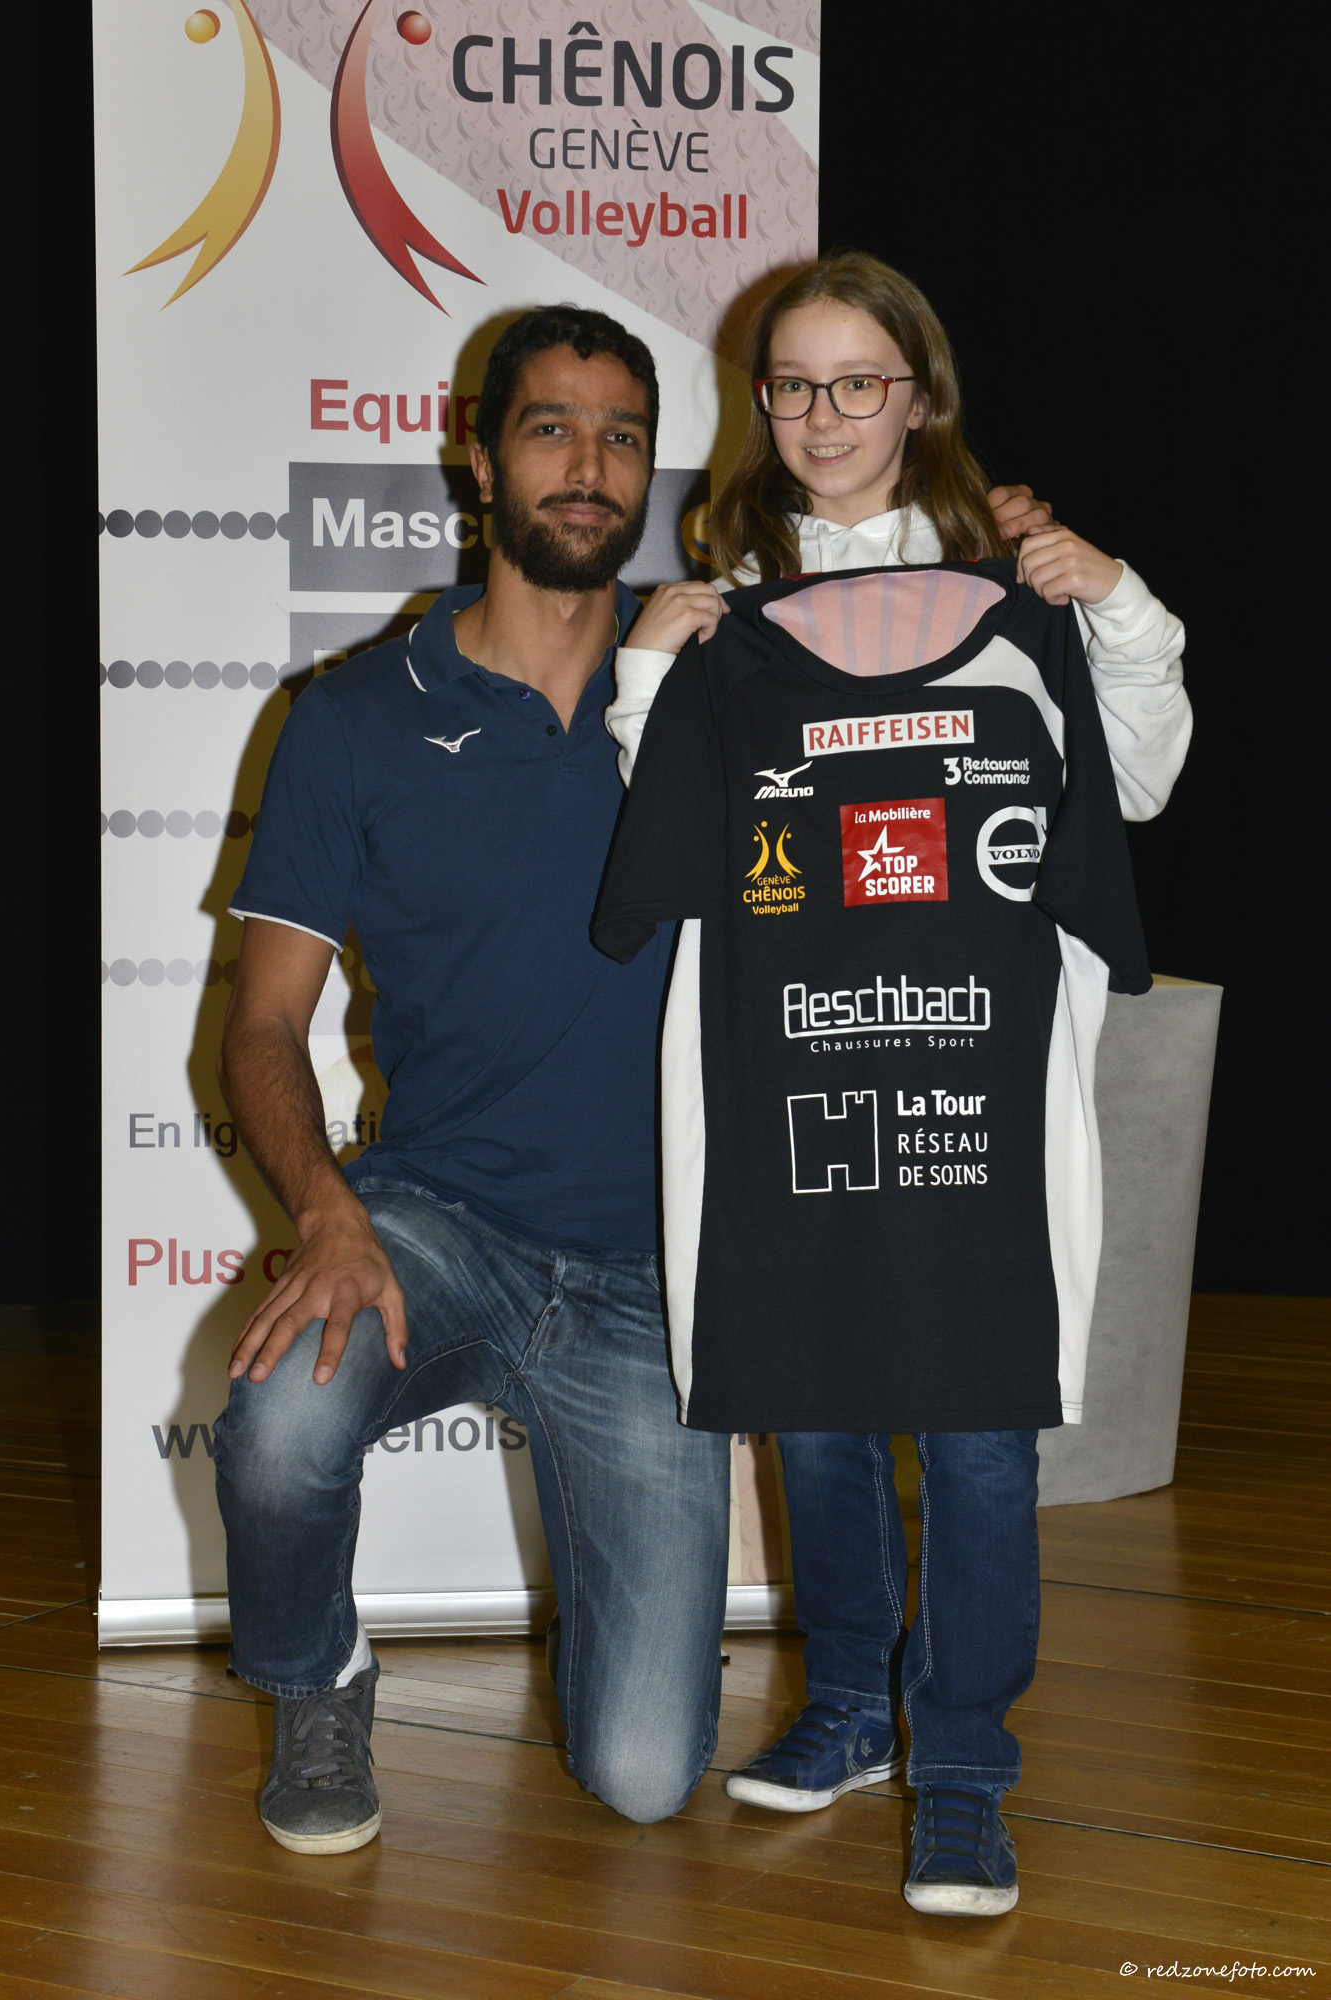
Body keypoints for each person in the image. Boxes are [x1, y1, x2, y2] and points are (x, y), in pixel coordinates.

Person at [212, 296, 1050, 1858]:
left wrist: (997, 555)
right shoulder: (351, 719)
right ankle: (316, 1680)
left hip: (654, 1282)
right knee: (275, 1422)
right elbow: (261, 1029)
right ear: (477, 461)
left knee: (648, 1774)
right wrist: (327, 1216)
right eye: (550, 429)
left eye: (621, 437)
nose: (588, 466)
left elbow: (921, 692)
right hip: (438, 1224)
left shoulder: (729, 676)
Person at [596, 251, 1188, 1916]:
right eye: (792, 383)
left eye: (857, 381)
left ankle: (967, 1768)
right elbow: (669, 830)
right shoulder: (728, 593)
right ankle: (852, 1707)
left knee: (978, 1426)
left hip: (977, 1081)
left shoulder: (1017, 580)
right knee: (815, 1399)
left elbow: (1140, 783)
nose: (823, 414)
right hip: (786, 1065)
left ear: (917, 395)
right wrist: (647, 670)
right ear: (759, 400)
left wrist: (1112, 598)